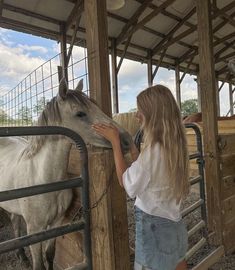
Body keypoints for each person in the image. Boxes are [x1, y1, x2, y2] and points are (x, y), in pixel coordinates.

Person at [92, 85, 189, 270]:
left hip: (153, 225)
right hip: (173, 222)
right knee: (178, 262)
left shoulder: (153, 151)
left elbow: (126, 183)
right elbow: (150, 173)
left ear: (152, 114)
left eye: (140, 111)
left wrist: (115, 143)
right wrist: (135, 151)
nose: (136, 115)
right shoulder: (173, 146)